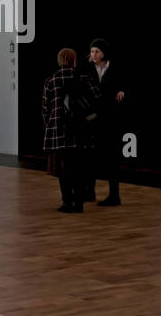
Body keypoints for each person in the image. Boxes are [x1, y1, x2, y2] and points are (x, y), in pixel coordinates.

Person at [41, 47, 99, 213]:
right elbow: (96, 99)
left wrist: (49, 126)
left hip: (58, 130)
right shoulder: (83, 78)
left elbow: (45, 108)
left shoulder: (51, 80)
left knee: (63, 169)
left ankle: (67, 203)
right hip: (80, 129)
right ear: (74, 60)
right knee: (78, 167)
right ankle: (79, 203)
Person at [86, 38, 126, 206]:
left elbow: (124, 84)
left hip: (110, 120)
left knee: (112, 159)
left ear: (104, 53)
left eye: (97, 51)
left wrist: (122, 90)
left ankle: (114, 195)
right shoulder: (87, 69)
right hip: (93, 119)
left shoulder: (115, 68)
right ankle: (89, 193)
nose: (94, 54)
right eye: (92, 51)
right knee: (90, 157)